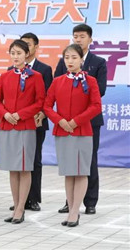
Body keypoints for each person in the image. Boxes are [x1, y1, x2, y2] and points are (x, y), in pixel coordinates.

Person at [45, 44, 102, 227]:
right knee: (69, 172)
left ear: (81, 60)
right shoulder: (58, 81)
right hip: (62, 131)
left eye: (74, 57)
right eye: (67, 57)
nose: (70, 61)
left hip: (82, 131)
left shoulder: (90, 81)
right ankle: (71, 209)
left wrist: (76, 121)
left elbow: (96, 106)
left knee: (81, 172)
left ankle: (75, 211)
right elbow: (47, 106)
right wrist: (59, 120)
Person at [54, 24, 106, 215]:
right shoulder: (64, 61)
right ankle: (71, 202)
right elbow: (57, 87)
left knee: (88, 161)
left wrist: (79, 113)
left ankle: (90, 201)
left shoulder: (98, 62)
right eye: (75, 36)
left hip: (89, 121)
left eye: (82, 36)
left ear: (90, 39)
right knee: (69, 162)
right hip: (66, 122)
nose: (78, 39)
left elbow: (100, 90)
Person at [0, 39, 46, 224]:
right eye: (13, 53)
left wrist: (20, 114)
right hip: (8, 126)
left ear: (27, 54)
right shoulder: (5, 76)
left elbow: (40, 102)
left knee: (24, 168)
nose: (15, 57)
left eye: (19, 53)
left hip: (25, 127)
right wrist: (5, 114)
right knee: (13, 168)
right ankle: (16, 205)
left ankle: (21, 207)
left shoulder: (36, 76)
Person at [19, 32, 53, 211]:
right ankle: (19, 200)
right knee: (18, 161)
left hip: (36, 121)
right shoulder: (12, 69)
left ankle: (33, 199)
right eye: (22, 44)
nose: (25, 47)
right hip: (17, 122)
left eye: (28, 44)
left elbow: (48, 97)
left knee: (34, 160)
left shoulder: (44, 69)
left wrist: (42, 114)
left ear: (36, 47)